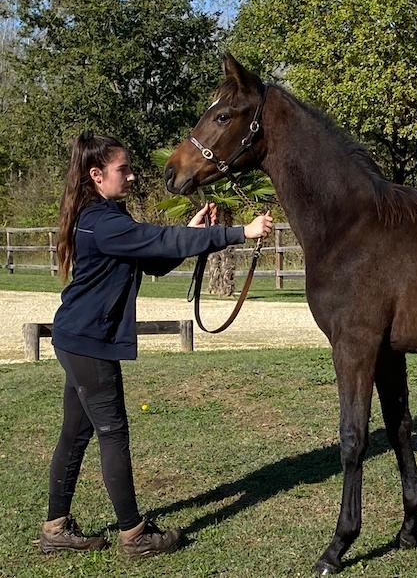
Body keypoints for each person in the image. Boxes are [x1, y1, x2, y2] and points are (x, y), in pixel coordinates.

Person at [39, 131, 272, 557]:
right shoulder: (103, 222)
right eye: (123, 169)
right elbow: (160, 241)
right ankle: (134, 535)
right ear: (97, 175)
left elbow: (154, 260)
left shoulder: (106, 216)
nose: (131, 176)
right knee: (112, 434)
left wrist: (191, 231)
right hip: (88, 342)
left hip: (78, 338)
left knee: (75, 433)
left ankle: (56, 528)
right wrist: (240, 232)